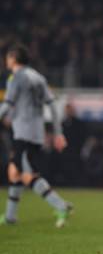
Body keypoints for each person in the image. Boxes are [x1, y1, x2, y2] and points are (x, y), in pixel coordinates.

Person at [0, 44, 71, 228]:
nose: (6, 60)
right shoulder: (38, 77)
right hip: (36, 133)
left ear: (13, 59)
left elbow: (8, 104)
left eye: (8, 57)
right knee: (14, 170)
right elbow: (52, 106)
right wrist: (58, 133)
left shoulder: (16, 78)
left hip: (23, 133)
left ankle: (61, 205)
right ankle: (10, 216)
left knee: (25, 174)